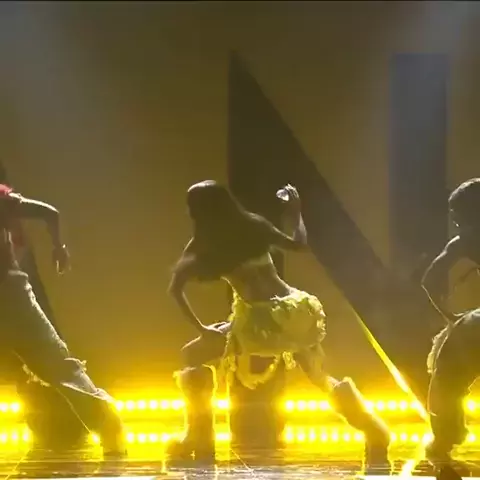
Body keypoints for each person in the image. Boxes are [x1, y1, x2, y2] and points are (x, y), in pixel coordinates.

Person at [167, 180, 390, 472]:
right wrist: (295, 213)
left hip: (261, 322)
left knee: (192, 354)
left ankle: (198, 437)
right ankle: (375, 433)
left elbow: (176, 289)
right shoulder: (253, 225)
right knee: (318, 375)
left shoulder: (204, 243)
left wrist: (202, 329)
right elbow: (299, 244)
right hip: (295, 311)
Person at [0, 181, 125, 458]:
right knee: (58, 364)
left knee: (56, 364)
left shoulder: (2, 201)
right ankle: (106, 423)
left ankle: (106, 423)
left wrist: (59, 247)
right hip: (11, 295)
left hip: (10, 297)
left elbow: (49, 213)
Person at [422, 177, 480, 468]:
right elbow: (429, 280)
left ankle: (445, 437)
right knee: (449, 368)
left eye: (459, 218)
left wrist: (451, 318)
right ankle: (445, 436)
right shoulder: (464, 241)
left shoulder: (465, 241)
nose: (456, 224)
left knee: (447, 373)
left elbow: (429, 280)